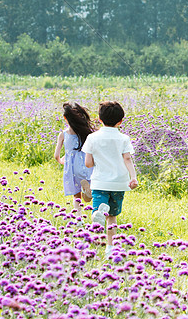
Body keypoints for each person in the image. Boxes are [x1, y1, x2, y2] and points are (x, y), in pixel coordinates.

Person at [82, 101, 139, 257]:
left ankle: (97, 213)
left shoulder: (92, 138)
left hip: (100, 181)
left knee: (99, 207)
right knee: (112, 217)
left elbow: (88, 164)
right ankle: (110, 248)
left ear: (100, 119)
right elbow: (127, 159)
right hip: (119, 183)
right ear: (120, 121)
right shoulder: (124, 139)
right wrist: (133, 177)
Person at [53, 101, 94, 209]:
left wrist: (62, 160)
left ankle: (78, 217)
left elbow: (56, 155)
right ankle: (88, 190)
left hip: (72, 167)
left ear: (65, 118)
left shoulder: (64, 134)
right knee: (93, 186)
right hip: (87, 164)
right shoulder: (88, 132)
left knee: (76, 194)